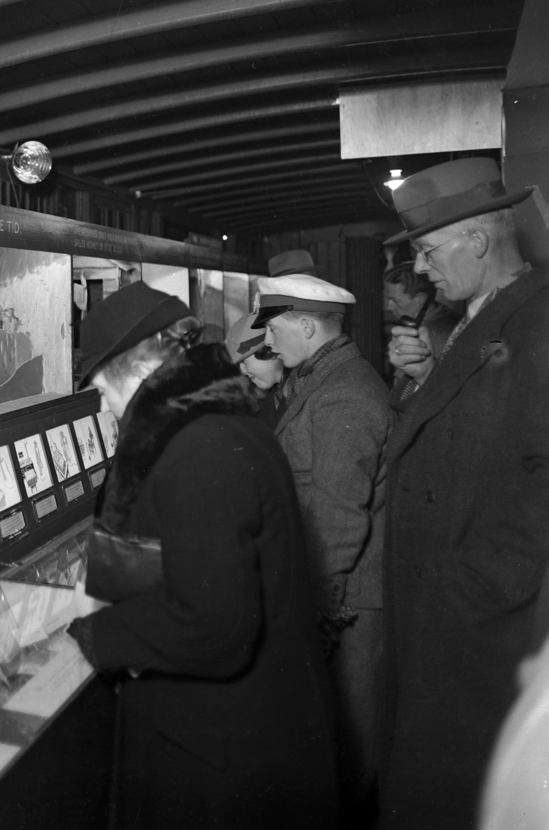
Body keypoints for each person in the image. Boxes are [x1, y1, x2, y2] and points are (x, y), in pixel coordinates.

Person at [66, 282, 339, 829]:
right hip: (241, 731)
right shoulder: (221, 419)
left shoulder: (197, 443)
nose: (101, 403)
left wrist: (95, 634)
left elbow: (214, 622)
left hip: (217, 751)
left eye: (102, 386)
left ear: (141, 370)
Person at [380, 156, 549, 830]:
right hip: (448, 624)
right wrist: (421, 385)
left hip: (480, 637)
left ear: (476, 241)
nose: (419, 271)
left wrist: (472, 587)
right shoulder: (478, 320)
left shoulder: (537, 326)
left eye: (426, 251)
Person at [251, 254, 393, 825]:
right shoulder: (323, 381)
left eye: (273, 324)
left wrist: (313, 613)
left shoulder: (343, 398)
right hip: (341, 598)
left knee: (350, 750)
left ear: (307, 326)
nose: (264, 338)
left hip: (348, 604)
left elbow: (338, 521)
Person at [382, 260, 461, 403]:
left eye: (395, 300)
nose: (389, 307)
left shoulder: (443, 335)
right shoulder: (418, 327)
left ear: (420, 299)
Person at [225, 311, 285, 427]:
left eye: (244, 362)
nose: (243, 371)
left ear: (267, 352)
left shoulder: (305, 390)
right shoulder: (272, 398)